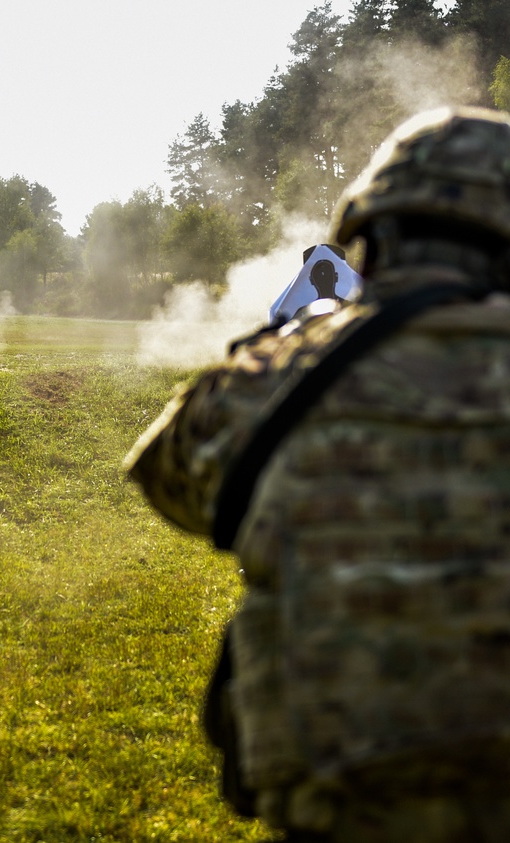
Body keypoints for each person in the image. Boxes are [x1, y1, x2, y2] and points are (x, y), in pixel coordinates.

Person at [125, 106, 510, 842]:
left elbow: (164, 478)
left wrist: (290, 344)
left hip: (345, 801)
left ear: (371, 236)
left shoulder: (288, 370)